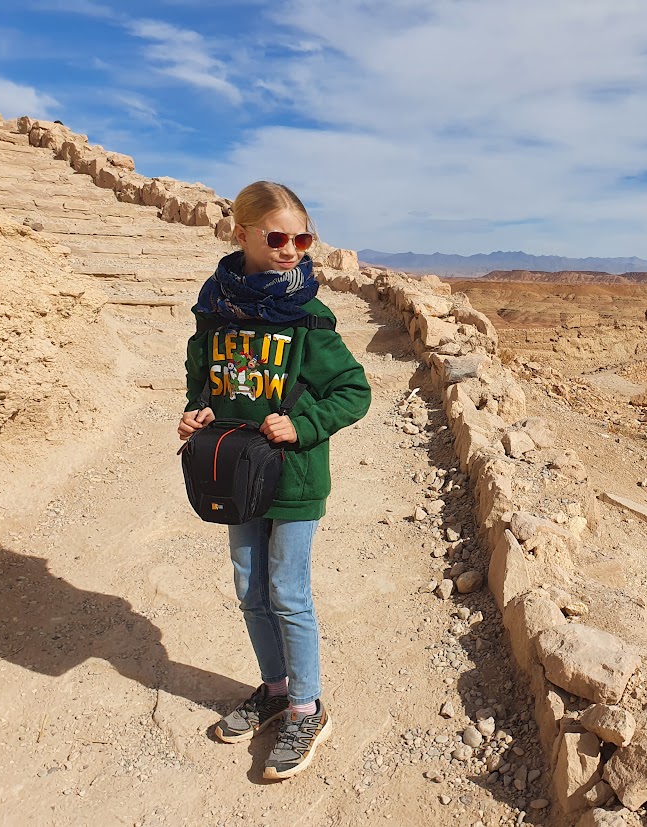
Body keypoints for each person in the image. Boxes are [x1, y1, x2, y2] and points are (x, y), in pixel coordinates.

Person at [177, 181, 371, 780]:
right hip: (237, 476)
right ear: (242, 235)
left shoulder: (307, 320)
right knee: (249, 588)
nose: (291, 250)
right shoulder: (216, 311)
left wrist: (304, 424)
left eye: (302, 240)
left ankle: (307, 708)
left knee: (288, 591)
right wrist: (198, 411)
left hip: (293, 479)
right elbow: (203, 380)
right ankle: (275, 689)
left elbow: (354, 391)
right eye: (277, 238)